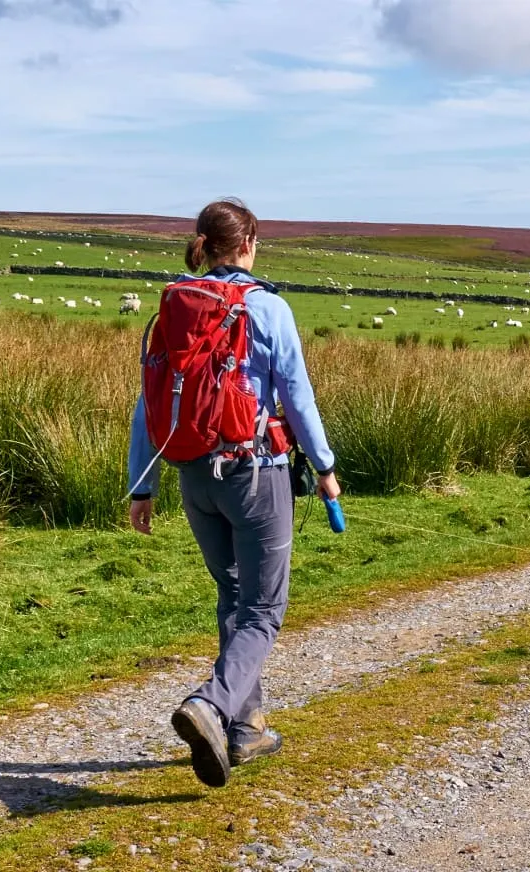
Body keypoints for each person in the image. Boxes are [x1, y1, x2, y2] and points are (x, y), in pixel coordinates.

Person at [124, 199, 340, 788]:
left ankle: (245, 729)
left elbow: (149, 404)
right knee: (264, 609)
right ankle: (211, 704)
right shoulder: (269, 308)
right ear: (247, 245)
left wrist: (142, 485)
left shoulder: (174, 309)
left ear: (204, 246)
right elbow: (296, 396)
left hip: (194, 476)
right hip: (255, 472)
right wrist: (323, 465)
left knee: (235, 594)